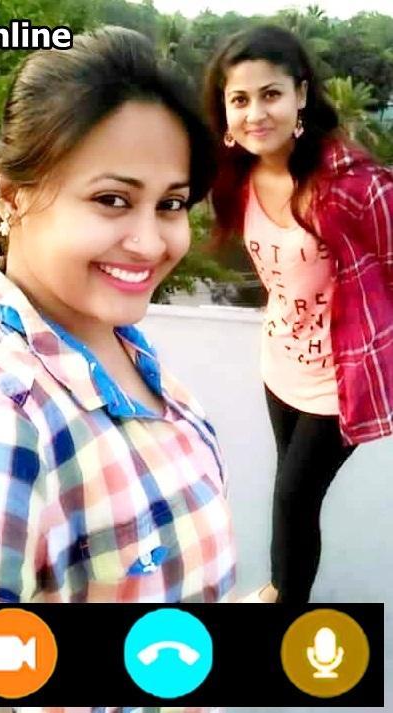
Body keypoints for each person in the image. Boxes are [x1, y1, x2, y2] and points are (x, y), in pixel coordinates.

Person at [0, 26, 236, 713]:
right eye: (112, 199)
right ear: (11, 196)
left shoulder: (123, 351)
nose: (150, 240)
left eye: (170, 204)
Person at [204, 24, 393, 604]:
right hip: (279, 360)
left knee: (293, 497)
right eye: (240, 99)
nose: (256, 113)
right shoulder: (237, 176)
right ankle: (284, 589)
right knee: (289, 491)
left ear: (301, 95)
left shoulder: (356, 186)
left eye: (271, 94)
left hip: (341, 377)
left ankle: (282, 602)